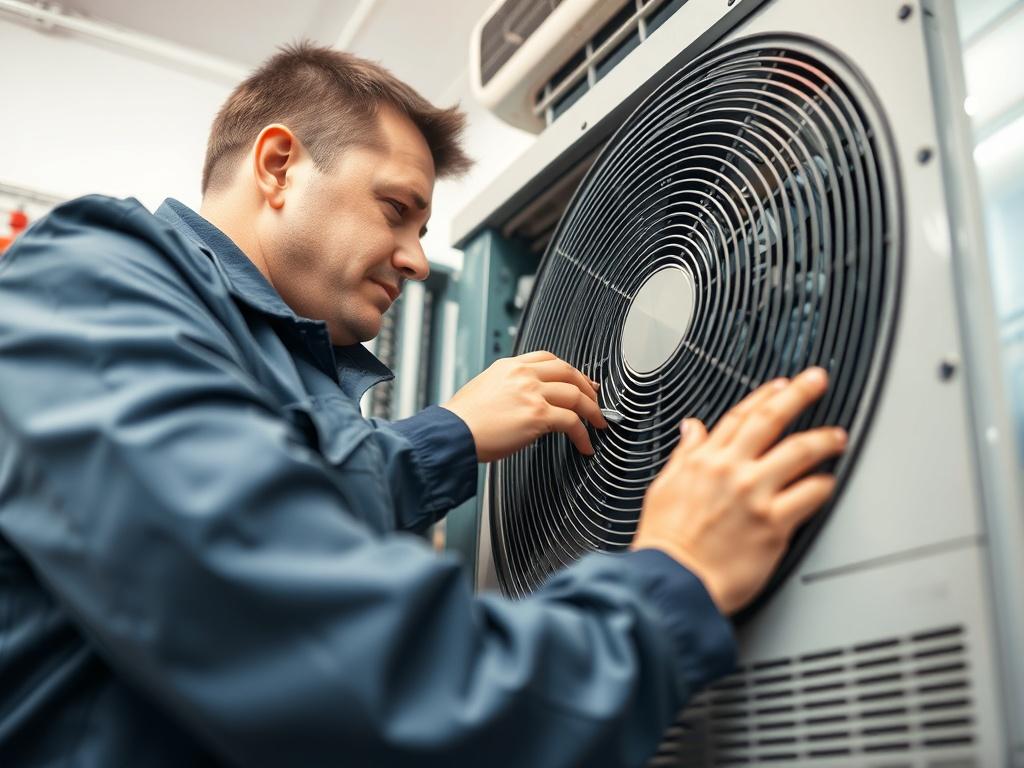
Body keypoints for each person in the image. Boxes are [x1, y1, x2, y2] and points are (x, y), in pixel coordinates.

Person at [0, 43, 847, 767]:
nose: (413, 260)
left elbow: (295, 495)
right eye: (396, 211)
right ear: (277, 164)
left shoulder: (289, 367)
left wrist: (445, 440)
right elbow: (353, 665)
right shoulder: (94, 279)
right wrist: (675, 578)